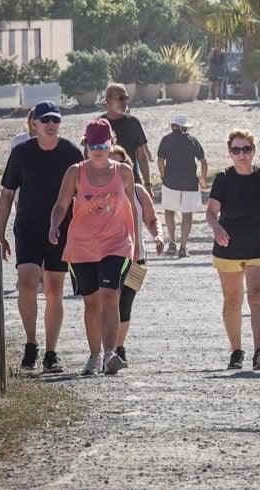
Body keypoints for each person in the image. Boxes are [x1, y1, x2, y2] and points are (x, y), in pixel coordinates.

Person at [0, 99, 83, 374]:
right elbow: (7, 193)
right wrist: (0, 233)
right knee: (26, 284)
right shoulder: (22, 153)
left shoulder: (72, 153)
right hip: (29, 228)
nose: (51, 125)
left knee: (55, 289)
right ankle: (31, 343)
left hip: (60, 231)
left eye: (55, 120)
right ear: (34, 124)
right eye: (45, 120)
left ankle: (51, 352)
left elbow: (82, 197)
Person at [50, 117, 142, 376]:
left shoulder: (123, 172)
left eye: (103, 145)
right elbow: (61, 204)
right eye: (94, 146)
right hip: (82, 245)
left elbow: (131, 208)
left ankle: (111, 353)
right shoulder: (75, 172)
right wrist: (54, 225)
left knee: (111, 295)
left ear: (111, 143)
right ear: (86, 145)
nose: (98, 150)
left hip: (116, 242)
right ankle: (94, 356)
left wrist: (134, 245)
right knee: (91, 301)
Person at [207, 129, 260, 371]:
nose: (241, 154)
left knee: (258, 297)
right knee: (233, 300)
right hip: (229, 245)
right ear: (230, 153)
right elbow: (211, 212)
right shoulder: (223, 178)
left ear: (254, 151)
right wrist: (216, 229)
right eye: (236, 150)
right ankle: (237, 351)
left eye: (246, 149)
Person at [107, 144, 163, 366]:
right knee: (110, 301)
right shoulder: (102, 191)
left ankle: (119, 348)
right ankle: (110, 349)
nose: (117, 167)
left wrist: (157, 235)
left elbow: (151, 219)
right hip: (109, 256)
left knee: (126, 302)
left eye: (121, 163)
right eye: (112, 163)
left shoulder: (139, 191)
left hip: (138, 257)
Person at [157, 115, 208, 256]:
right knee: (187, 214)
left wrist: (163, 176)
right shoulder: (192, 140)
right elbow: (203, 161)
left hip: (170, 181)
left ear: (173, 126)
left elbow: (160, 161)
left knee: (169, 211)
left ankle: (172, 243)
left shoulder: (166, 140)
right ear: (184, 127)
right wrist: (203, 179)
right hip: (190, 182)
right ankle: (183, 247)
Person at [101, 83, 154, 190]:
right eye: (121, 98)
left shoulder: (133, 122)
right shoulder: (98, 125)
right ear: (108, 100)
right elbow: (88, 156)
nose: (125, 102)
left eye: (126, 98)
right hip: (106, 185)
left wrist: (148, 184)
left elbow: (142, 156)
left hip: (132, 183)